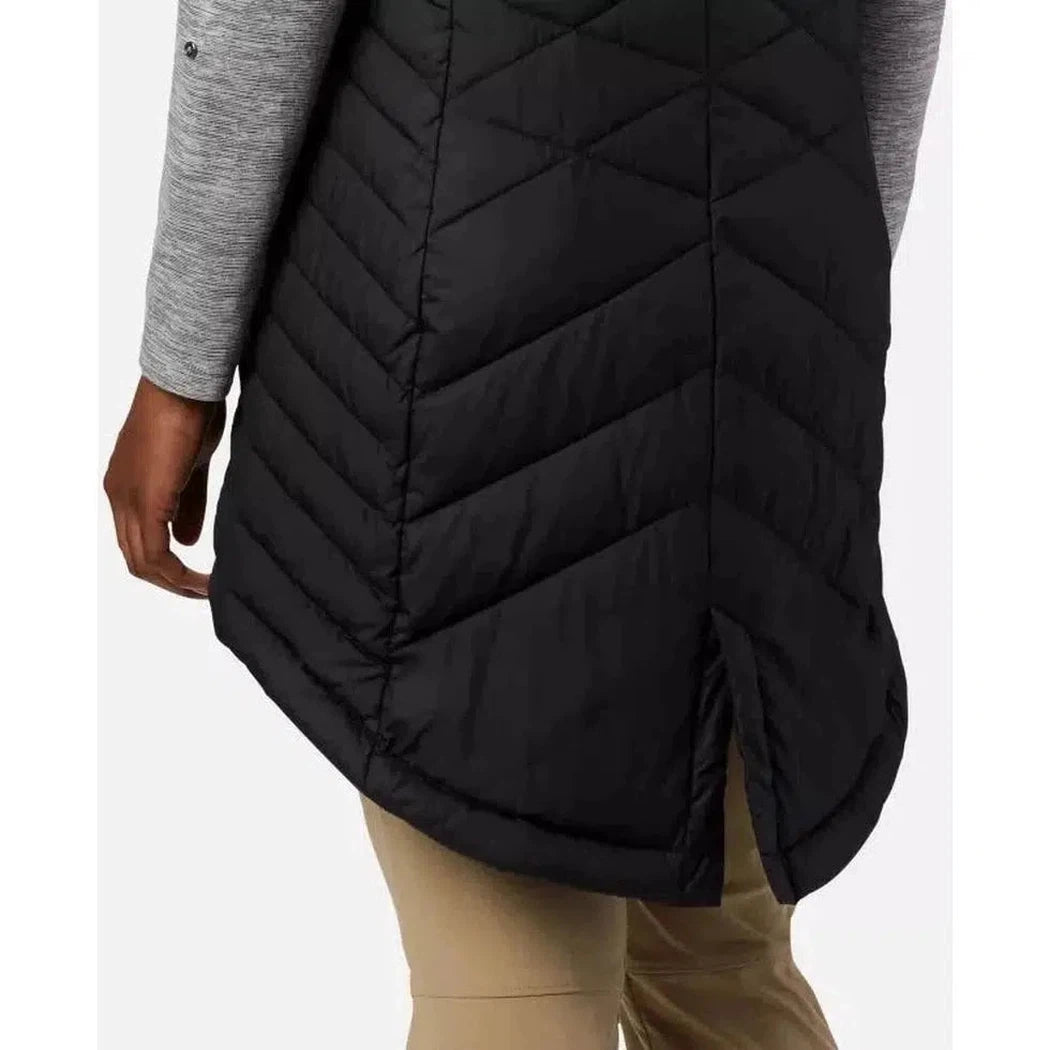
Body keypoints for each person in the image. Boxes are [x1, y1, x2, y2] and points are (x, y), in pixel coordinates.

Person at [104, 2, 945, 1047]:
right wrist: (815, 283)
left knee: (514, 997)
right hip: (768, 358)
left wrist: (180, 373)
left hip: (472, 359)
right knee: (720, 966)